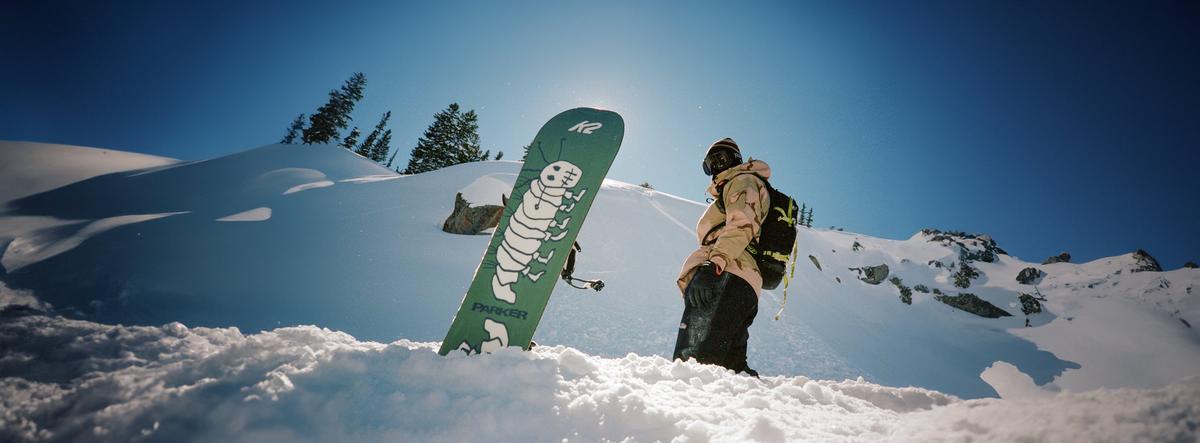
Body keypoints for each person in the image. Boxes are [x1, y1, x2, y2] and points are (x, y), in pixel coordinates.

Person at [673, 137, 771, 377]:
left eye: (722, 159)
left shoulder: (741, 181)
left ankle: (688, 409)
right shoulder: (737, 186)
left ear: (736, 160)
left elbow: (741, 225)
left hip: (725, 273)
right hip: (739, 280)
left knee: (694, 365)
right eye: (710, 163)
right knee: (728, 371)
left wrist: (712, 265)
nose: (717, 166)